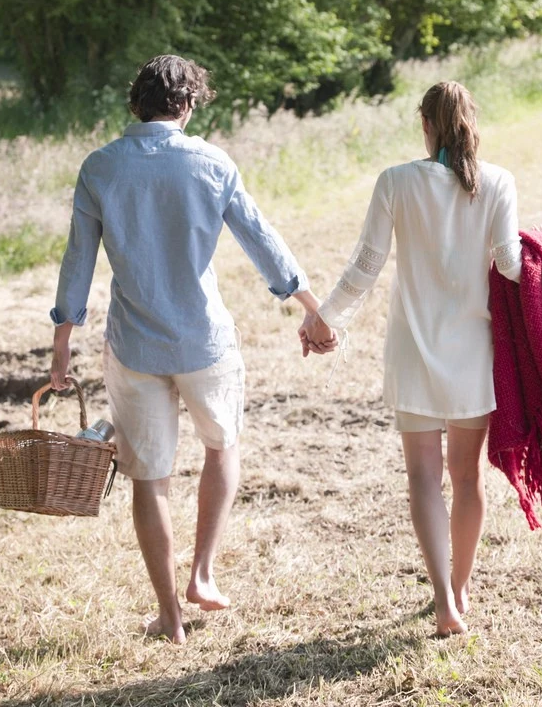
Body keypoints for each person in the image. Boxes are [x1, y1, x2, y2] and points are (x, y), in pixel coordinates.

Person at [49, 54, 334, 645]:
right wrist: (310, 307)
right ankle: (202, 575)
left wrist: (62, 340)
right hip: (205, 342)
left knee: (149, 479)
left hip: (134, 346)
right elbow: (262, 239)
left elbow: (78, 259)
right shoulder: (212, 162)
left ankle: (169, 617)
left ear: (136, 102)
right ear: (189, 104)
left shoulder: (100, 167)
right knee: (222, 447)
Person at [300, 81, 522, 637]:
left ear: (425, 125)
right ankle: (462, 587)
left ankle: (444, 600)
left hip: (413, 350)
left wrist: (325, 318)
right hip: (474, 351)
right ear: (472, 123)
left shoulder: (396, 182)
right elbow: (514, 266)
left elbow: (365, 266)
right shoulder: (497, 182)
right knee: (467, 478)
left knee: (423, 478)